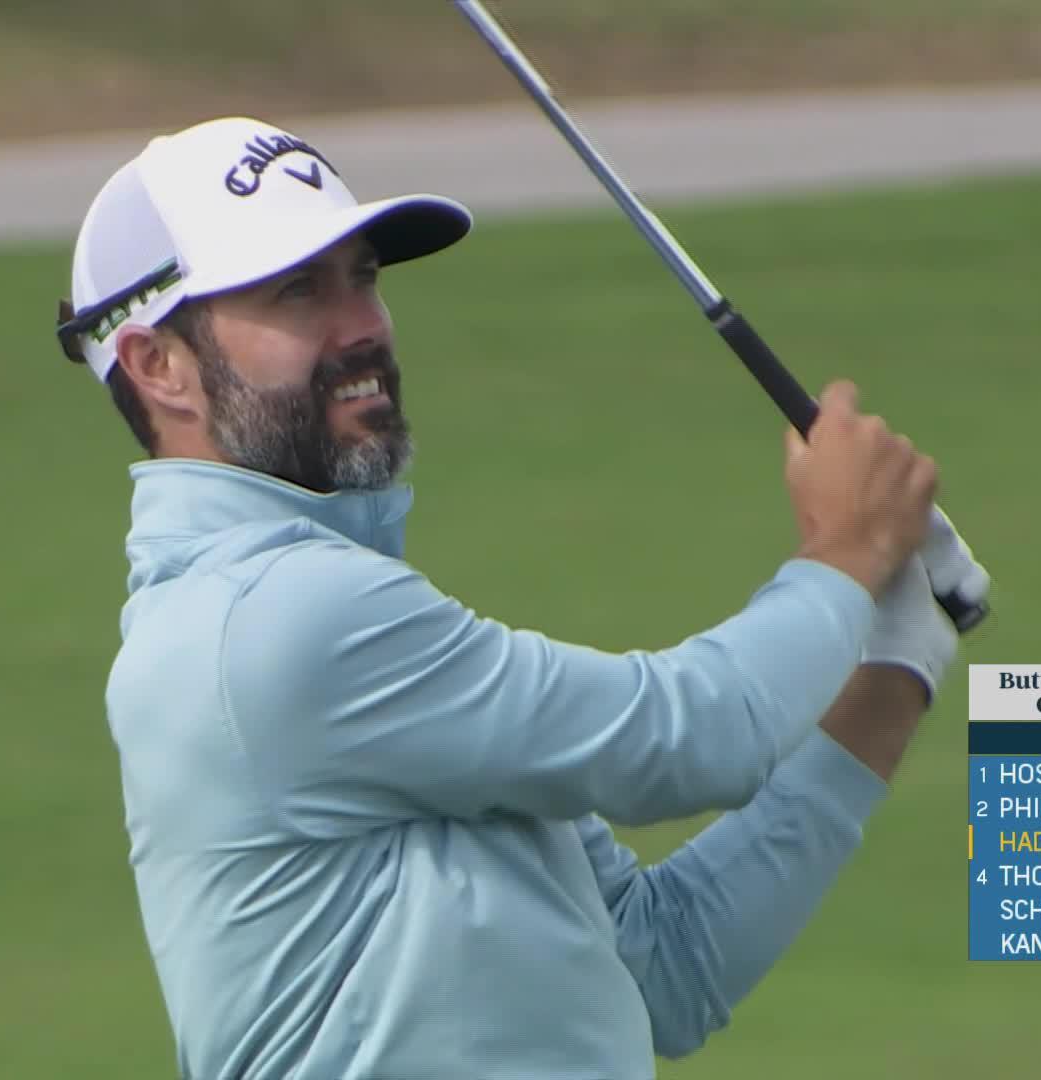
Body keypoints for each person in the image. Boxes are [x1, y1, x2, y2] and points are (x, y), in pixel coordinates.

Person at [57, 116, 967, 1080]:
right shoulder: (276, 616)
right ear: (159, 365)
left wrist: (894, 664)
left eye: (363, 277)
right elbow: (695, 737)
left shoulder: (332, 622)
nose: (362, 325)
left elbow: (666, 964)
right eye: (299, 291)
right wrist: (847, 550)